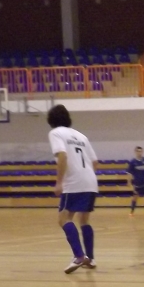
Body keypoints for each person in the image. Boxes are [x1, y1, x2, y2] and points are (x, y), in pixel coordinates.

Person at [48, 103, 98, 273]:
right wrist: (86, 177)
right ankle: (90, 258)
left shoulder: (56, 133)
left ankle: (79, 256)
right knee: (84, 220)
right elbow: (95, 162)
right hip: (90, 181)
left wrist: (59, 182)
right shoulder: (81, 136)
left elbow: (62, 156)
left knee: (63, 218)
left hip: (74, 182)